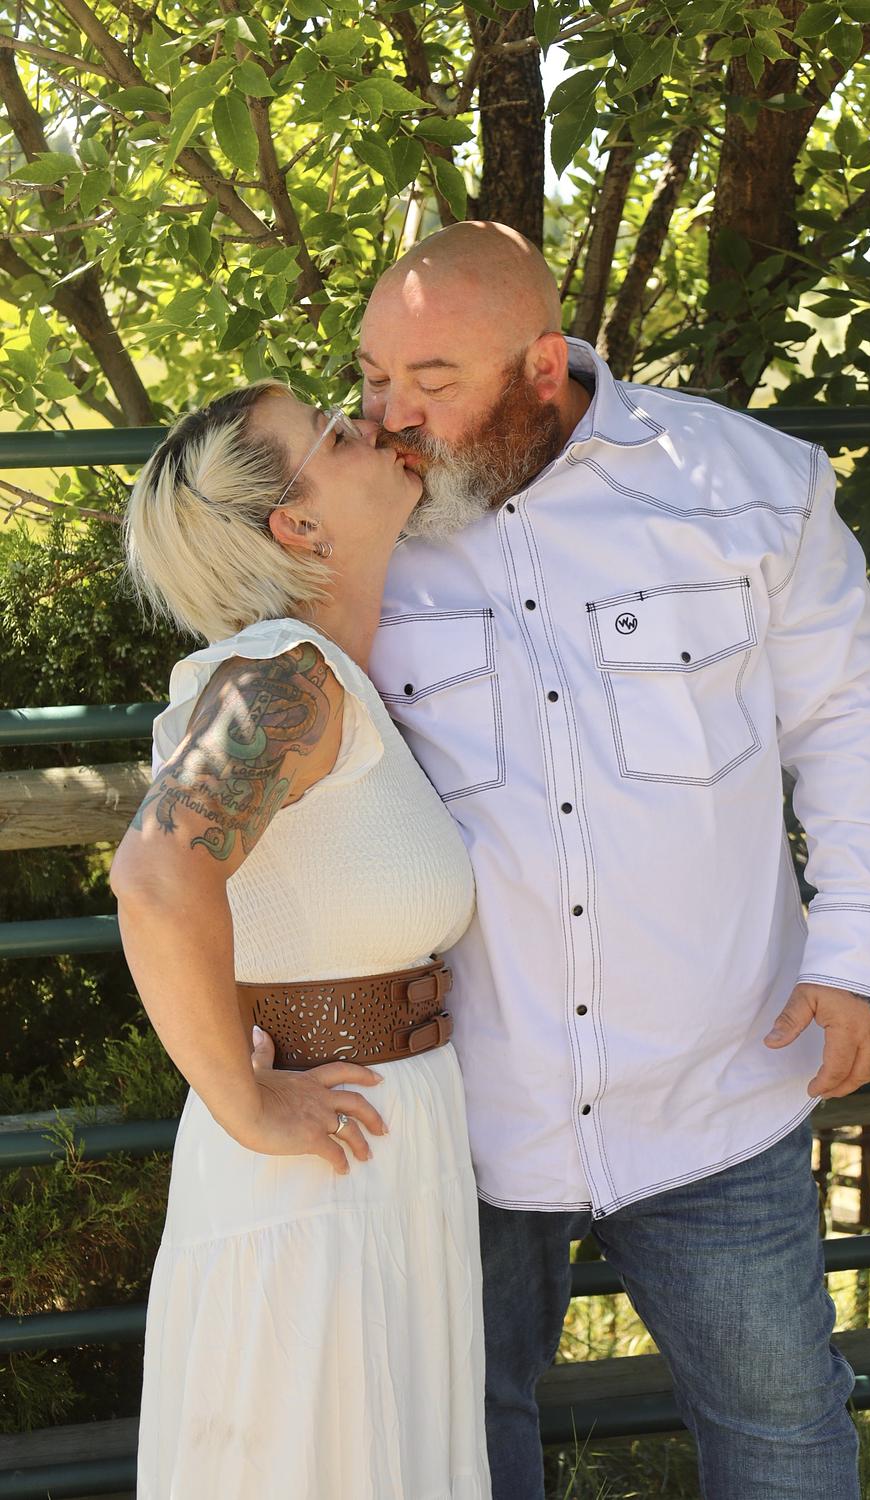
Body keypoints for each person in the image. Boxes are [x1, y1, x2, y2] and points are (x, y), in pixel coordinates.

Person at [359, 222, 870, 1499]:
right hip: (463, 1105)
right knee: (456, 1441)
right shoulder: (354, 515)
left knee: (780, 1430)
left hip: (717, 1082)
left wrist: (855, 956)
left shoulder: (747, 484)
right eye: (375, 376)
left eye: (433, 381)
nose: (393, 415)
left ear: (542, 365)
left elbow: (850, 717)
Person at [110, 382, 492, 1499]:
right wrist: (242, 1103)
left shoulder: (331, 682)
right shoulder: (286, 677)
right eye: (334, 430)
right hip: (312, 1174)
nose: (372, 424)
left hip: (380, 1156)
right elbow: (156, 872)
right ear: (298, 524)